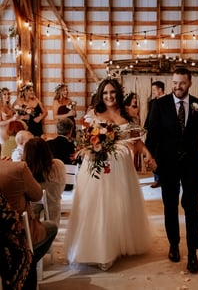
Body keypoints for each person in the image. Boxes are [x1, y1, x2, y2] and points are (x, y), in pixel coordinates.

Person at [64, 78, 156, 271]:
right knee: (99, 207)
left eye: (112, 92)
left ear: (118, 93)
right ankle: (99, 250)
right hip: (98, 166)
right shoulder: (93, 114)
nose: (109, 96)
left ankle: (118, 245)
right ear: (100, 94)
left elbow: (135, 140)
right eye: (105, 93)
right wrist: (93, 149)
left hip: (121, 166)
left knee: (119, 206)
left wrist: (148, 154)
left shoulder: (127, 114)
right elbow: (83, 141)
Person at [145, 67, 198, 274]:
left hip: (192, 163)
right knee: (170, 205)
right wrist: (151, 158)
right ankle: (173, 244)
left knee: (192, 206)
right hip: (167, 164)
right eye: (175, 82)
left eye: (182, 83)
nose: (178, 86)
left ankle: (193, 252)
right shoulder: (159, 104)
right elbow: (153, 135)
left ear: (190, 83)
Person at [0, 158, 58, 289]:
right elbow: (37, 195)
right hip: (19, 235)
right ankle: (29, 263)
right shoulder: (17, 168)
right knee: (52, 227)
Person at [23, 137, 66, 226]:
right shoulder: (58, 165)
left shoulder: (24, 169)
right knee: (53, 202)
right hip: (53, 203)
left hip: (32, 206)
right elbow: (62, 186)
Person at [144, 81, 165, 188]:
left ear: (160, 90)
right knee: (152, 156)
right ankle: (157, 178)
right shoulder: (152, 102)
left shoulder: (168, 101)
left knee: (161, 156)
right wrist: (145, 127)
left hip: (163, 135)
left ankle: (162, 178)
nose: (153, 92)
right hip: (152, 134)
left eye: (154, 90)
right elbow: (149, 116)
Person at [47, 118, 76, 191]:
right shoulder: (72, 146)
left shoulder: (48, 144)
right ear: (70, 131)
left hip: (50, 183)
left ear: (57, 130)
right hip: (67, 184)